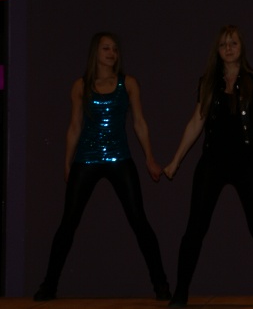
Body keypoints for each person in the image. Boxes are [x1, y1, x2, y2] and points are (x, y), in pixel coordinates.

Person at [163, 25, 253, 308]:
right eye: (223, 45)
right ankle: (180, 293)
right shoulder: (208, 81)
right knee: (195, 228)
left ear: (242, 47)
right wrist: (175, 161)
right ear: (217, 51)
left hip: (245, 162)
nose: (228, 48)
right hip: (212, 162)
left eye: (233, 43)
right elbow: (196, 122)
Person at [33, 32, 171, 301]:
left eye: (115, 49)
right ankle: (48, 286)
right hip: (87, 157)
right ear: (95, 52)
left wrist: (149, 158)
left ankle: (161, 284)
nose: (112, 53)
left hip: (119, 157)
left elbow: (139, 123)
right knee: (68, 222)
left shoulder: (128, 84)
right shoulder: (80, 86)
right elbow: (75, 126)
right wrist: (67, 162)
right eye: (106, 48)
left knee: (139, 220)